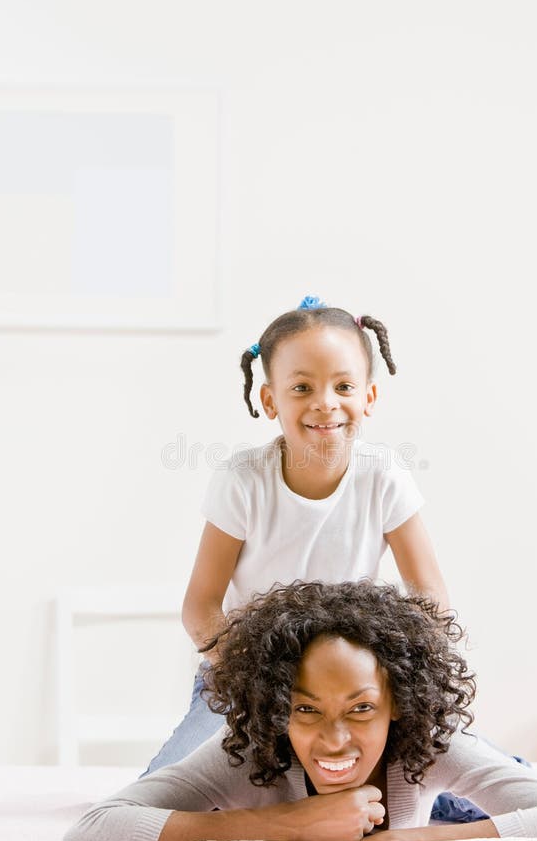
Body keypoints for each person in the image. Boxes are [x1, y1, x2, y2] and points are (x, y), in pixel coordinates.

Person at [144, 295, 447, 774]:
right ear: (270, 400)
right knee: (163, 791)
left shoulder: (384, 476)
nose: (325, 403)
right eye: (302, 387)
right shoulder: (243, 481)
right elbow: (200, 608)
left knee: (449, 771)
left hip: (352, 685)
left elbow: (431, 598)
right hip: (248, 677)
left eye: (343, 385)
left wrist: (398, 684)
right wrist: (260, 680)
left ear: (368, 395)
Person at [65, 581, 537, 841]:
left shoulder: (426, 742)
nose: (334, 739)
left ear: (397, 702)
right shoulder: (253, 750)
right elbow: (95, 827)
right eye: (306, 709)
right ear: (280, 706)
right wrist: (290, 823)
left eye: (361, 709)